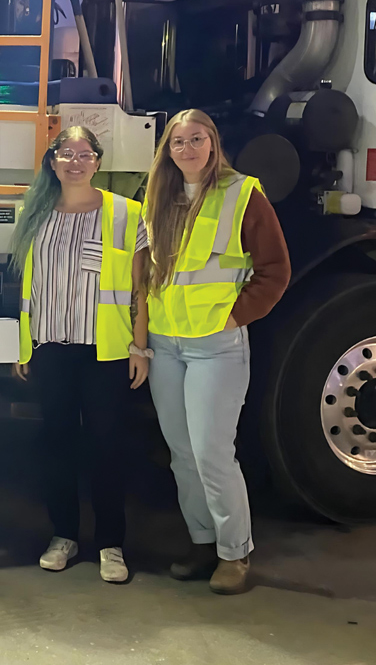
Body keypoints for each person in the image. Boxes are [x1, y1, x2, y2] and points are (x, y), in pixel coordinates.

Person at [142, 108, 290, 595]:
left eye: (197, 139)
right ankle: (202, 542)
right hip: (166, 345)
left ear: (214, 144)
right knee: (182, 454)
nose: (188, 150)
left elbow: (274, 270)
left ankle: (235, 552)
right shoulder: (158, 197)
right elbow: (148, 273)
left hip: (215, 346)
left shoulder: (242, 194)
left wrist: (233, 316)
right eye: (179, 142)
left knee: (211, 453)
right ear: (168, 150)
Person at [10, 126, 150, 584]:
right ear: (52, 162)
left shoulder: (126, 214)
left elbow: (140, 288)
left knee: (107, 446)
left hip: (105, 351)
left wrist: (140, 346)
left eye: (84, 154)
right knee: (57, 443)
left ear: (97, 161)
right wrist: (23, 345)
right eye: (66, 154)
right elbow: (28, 288)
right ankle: (63, 535)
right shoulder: (35, 216)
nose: (75, 161)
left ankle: (111, 543)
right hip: (50, 347)